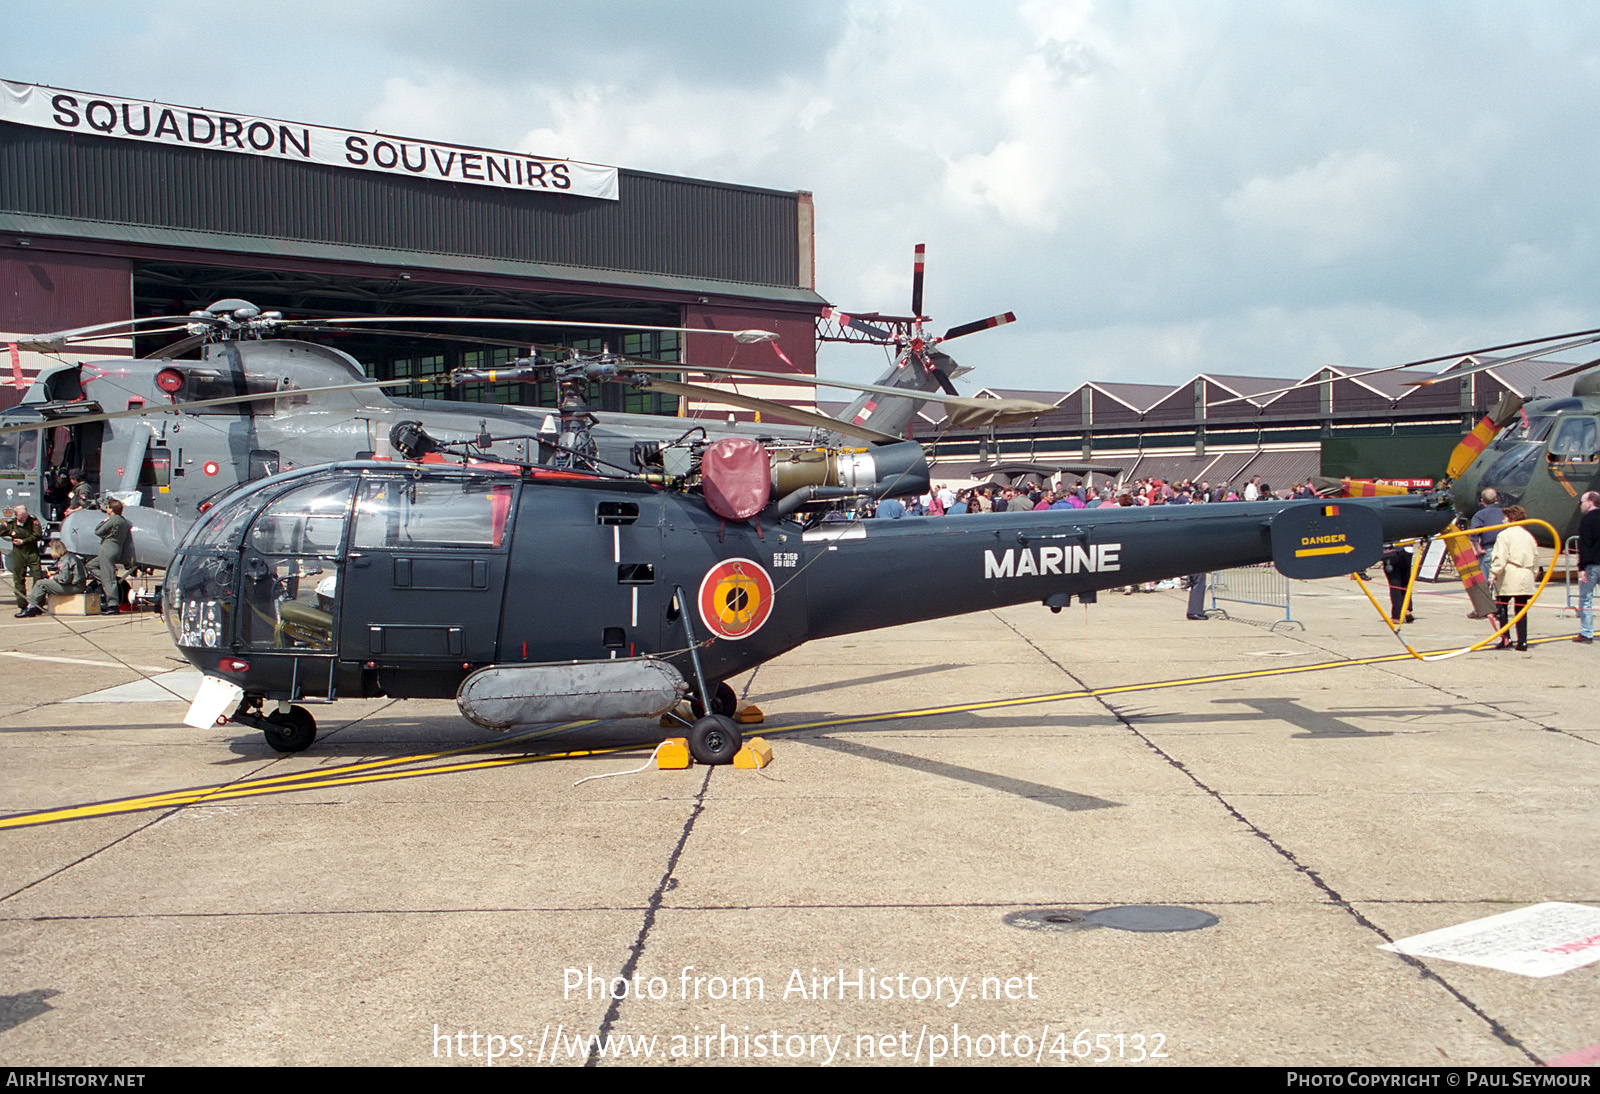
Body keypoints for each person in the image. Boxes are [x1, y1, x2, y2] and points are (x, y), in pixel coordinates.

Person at [1489, 504, 1537, 651]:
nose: (1503, 521)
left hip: (1510, 574)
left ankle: (1506, 638)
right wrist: (1533, 574)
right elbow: (1535, 558)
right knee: (1521, 610)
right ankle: (1522, 641)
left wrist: (1493, 573)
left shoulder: (1504, 535)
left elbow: (1500, 557)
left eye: (1505, 518)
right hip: (1526, 574)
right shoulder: (1528, 536)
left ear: (1510, 519)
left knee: (1501, 607)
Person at [18, 540, 87, 618]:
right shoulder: (70, 557)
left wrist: (53, 577)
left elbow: (64, 579)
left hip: (74, 587)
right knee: (44, 583)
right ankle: (36, 606)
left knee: (41, 583)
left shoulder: (64, 561)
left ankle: (31, 607)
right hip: (78, 585)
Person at [1467, 488, 1505, 619]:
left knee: (1484, 581)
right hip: (1504, 550)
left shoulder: (1480, 515)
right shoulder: (1504, 514)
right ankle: (1501, 608)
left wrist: (1478, 549)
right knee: (1501, 580)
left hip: (1489, 549)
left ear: (1482, 500)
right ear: (1496, 499)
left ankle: (1482, 609)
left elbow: (1474, 535)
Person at [3, 504, 44, 616]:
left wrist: (23, 541)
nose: (24, 519)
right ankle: (22, 605)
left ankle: (37, 605)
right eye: (21, 517)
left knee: (38, 577)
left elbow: (37, 535)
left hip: (32, 552)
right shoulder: (11, 524)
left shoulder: (33, 521)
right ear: (16, 516)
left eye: (25, 516)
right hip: (19, 553)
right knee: (18, 579)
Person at [94, 498, 132, 612]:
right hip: (116, 549)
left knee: (108, 578)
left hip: (108, 548)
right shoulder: (123, 520)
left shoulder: (114, 519)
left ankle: (113, 604)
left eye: (108, 507)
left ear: (112, 509)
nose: (107, 509)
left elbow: (98, 531)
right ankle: (107, 584)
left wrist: (105, 521)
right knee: (91, 565)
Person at [1575, 491, 1600, 644]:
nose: (1581, 505)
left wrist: (1582, 568)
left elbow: (1584, 545)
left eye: (1581, 502)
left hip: (1592, 564)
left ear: (1590, 502)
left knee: (1585, 598)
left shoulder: (1587, 520)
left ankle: (1586, 632)